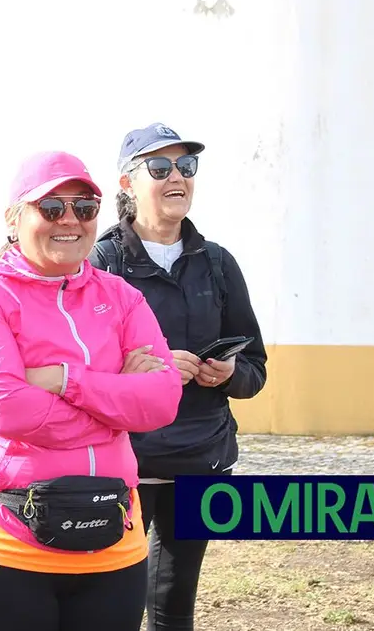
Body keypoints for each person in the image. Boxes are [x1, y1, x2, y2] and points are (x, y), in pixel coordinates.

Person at [0, 151, 183, 631]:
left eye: (84, 207)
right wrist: (115, 405)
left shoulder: (122, 297)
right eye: (51, 208)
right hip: (5, 546)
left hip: (114, 547)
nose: (69, 220)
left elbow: (162, 402)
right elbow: (3, 406)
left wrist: (64, 381)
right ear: (14, 219)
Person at [88, 122, 268, 631]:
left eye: (186, 167)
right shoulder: (102, 264)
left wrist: (230, 373)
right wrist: (147, 373)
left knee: (175, 607)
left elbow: (256, 368)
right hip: (127, 464)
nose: (177, 178)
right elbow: (83, 372)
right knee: (110, 606)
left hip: (202, 460)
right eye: (160, 167)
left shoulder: (217, 264)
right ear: (127, 183)